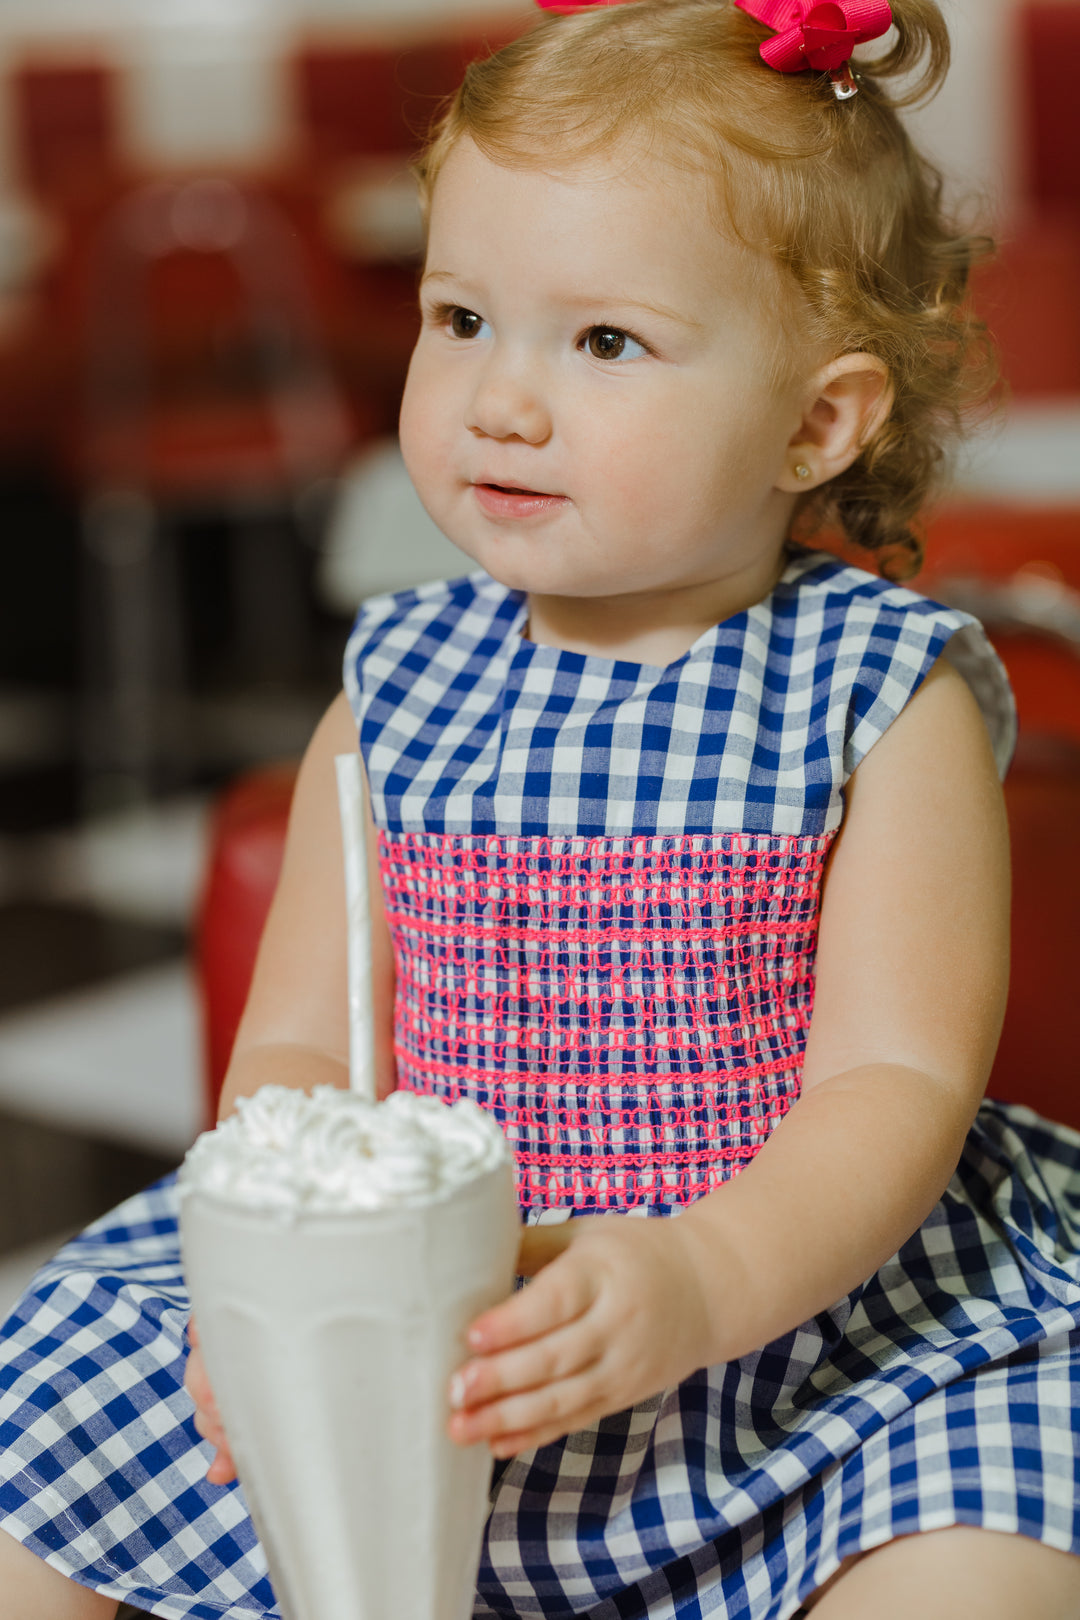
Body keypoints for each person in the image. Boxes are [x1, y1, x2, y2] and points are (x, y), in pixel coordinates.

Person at [3, 0, 1080, 1615]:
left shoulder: (884, 694)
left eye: (605, 342)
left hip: (800, 1333)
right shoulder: (395, 684)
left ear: (816, 422)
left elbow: (896, 1085)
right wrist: (282, 1278)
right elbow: (294, 1051)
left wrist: (698, 1278)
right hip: (428, 1309)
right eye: (459, 319)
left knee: (984, 1558)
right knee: (46, 1437)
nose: (500, 401)